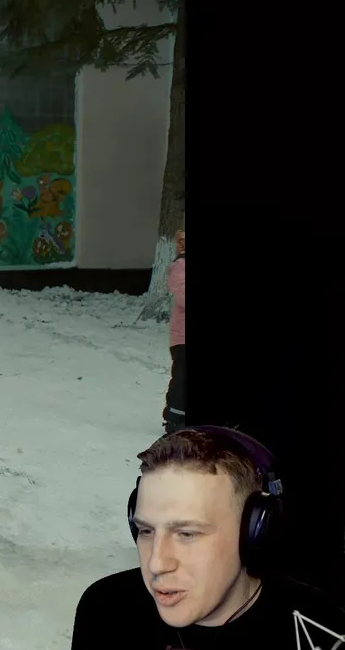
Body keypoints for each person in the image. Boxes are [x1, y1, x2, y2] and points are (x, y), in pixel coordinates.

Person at [71, 427, 343, 649]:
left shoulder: (321, 628)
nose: (156, 564)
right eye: (146, 531)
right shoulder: (107, 607)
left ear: (252, 533)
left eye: (187, 534)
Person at [163, 227, 186, 433]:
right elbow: (182, 296)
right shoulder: (180, 267)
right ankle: (175, 417)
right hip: (182, 338)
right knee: (182, 377)